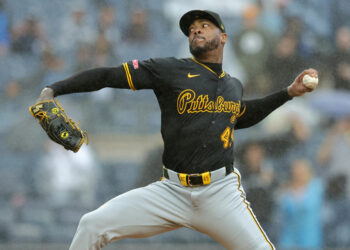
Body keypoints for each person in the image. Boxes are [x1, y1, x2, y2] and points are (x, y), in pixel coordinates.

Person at [34, 10, 318, 250]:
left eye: (204, 26)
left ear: (224, 37)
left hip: (220, 193)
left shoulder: (233, 86)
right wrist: (54, 88)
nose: (196, 31)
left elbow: (242, 114)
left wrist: (287, 93)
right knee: (91, 225)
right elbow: (109, 75)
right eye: (192, 29)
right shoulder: (169, 70)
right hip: (170, 191)